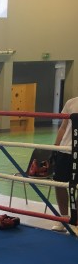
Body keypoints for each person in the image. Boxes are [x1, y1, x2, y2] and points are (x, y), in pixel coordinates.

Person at [52, 96, 78, 232]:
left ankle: (75, 219)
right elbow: (63, 127)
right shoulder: (71, 102)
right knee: (59, 184)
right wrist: (55, 147)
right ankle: (64, 218)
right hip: (65, 150)